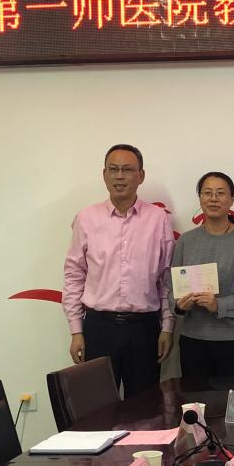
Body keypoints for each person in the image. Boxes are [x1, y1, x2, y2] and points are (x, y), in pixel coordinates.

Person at [62, 144, 174, 397]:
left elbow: (165, 279)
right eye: (113, 169)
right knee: (98, 404)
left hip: (144, 329)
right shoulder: (86, 218)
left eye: (127, 170)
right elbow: (74, 275)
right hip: (99, 328)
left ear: (140, 176)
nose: (119, 176)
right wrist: (76, 330)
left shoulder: (158, 219)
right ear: (104, 175)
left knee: (145, 407)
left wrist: (167, 327)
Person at [171, 171, 234, 377]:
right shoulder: (186, 241)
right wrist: (179, 305)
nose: (213, 199)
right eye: (207, 193)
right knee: (195, 397)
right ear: (200, 198)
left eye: (220, 193)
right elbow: (171, 288)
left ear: (232, 199)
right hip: (193, 340)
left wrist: (219, 305)